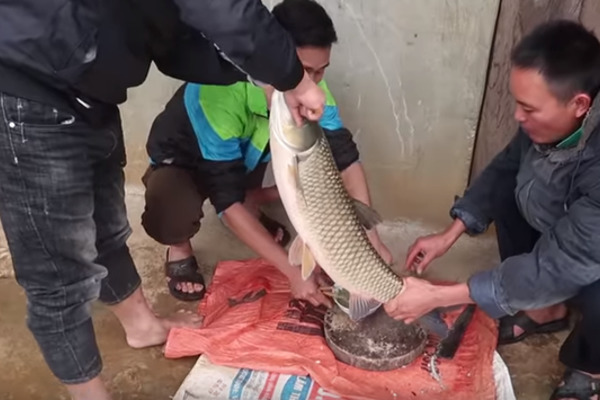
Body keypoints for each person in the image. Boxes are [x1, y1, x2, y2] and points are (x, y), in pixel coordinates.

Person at [0, 1, 328, 399]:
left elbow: (167, 33)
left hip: (87, 91)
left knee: (107, 229)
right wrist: (290, 77)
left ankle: (142, 326)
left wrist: (262, 73)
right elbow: (223, 8)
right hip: (23, 88)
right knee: (58, 275)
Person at [384, 20, 600, 400]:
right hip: (571, 225)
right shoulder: (550, 122)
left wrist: (439, 296)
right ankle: (545, 311)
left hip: (590, 250)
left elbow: (559, 266)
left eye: (528, 108)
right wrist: (451, 232)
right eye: (518, 103)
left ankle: (590, 366)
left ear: (579, 104)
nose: (518, 116)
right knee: (510, 195)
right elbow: (506, 166)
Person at [141, 0, 393, 307]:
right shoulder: (218, 92)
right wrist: (292, 271)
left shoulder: (311, 91)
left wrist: (369, 238)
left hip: (241, 160)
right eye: (303, 71)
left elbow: (345, 158)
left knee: (270, 188)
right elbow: (226, 197)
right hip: (184, 161)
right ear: (275, 57)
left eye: (320, 72)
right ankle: (179, 248)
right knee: (174, 210)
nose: (311, 83)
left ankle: (252, 210)